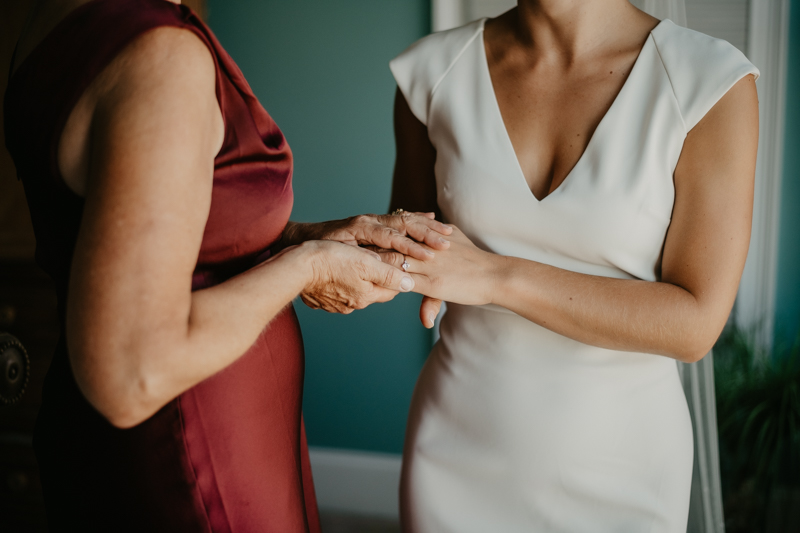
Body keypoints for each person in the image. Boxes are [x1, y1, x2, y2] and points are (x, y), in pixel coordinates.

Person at [4, 0, 452, 530]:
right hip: (192, 453)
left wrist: (298, 236)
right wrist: (308, 265)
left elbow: (149, 229)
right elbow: (131, 372)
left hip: (136, 438)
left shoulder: (57, 19)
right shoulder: (159, 57)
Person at [386, 0, 759, 530]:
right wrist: (311, 247)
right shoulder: (430, 74)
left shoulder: (709, 83)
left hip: (626, 470)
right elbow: (406, 246)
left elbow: (695, 324)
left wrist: (495, 276)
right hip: (455, 448)